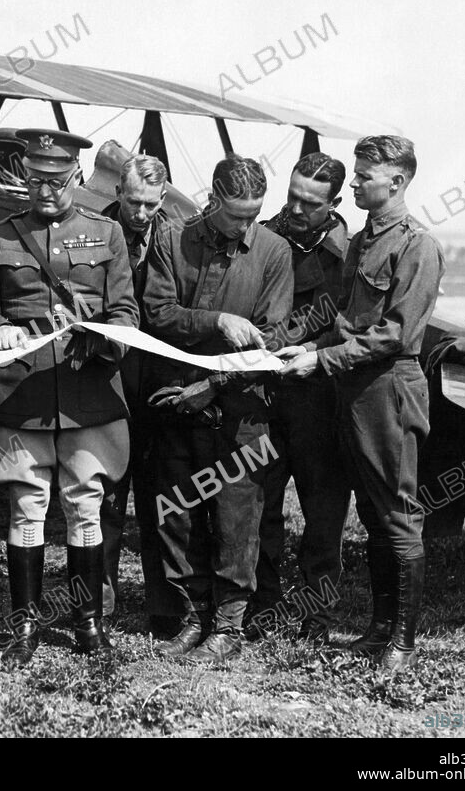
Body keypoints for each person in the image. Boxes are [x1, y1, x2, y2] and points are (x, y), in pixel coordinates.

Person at [0, 128, 138, 668]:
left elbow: (126, 313)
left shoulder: (106, 233)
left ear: (75, 176)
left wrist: (105, 340)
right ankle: (26, 624)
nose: (44, 191)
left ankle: (88, 622)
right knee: (25, 507)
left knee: (85, 507)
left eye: (56, 181)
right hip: (20, 395)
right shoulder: (0, 234)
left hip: (87, 393)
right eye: (35, 179)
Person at [279, 136, 444, 672]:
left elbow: (395, 334)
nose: (352, 184)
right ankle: (378, 629)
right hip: (353, 389)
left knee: (397, 516)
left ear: (395, 182)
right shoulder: (363, 241)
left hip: (389, 390)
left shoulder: (417, 245)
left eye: (363, 177)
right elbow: (348, 322)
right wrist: (309, 346)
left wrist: (320, 362)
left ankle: (402, 642)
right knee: (373, 518)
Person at [141, 154, 292, 665]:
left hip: (240, 412)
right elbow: (156, 313)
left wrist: (213, 383)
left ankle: (227, 626)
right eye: (235, 215)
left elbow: (272, 339)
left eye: (254, 215)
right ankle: (191, 617)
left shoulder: (274, 251)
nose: (246, 225)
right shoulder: (171, 238)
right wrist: (217, 320)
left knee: (236, 520)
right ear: (212, 197)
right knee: (176, 514)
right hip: (174, 406)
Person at [249, 152, 352, 643]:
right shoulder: (264, 236)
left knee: (323, 513)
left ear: (333, 204)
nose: (295, 207)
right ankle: (260, 607)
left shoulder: (350, 255)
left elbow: (357, 328)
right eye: (291, 194)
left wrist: (312, 349)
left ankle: (319, 616)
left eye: (310, 202)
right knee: (259, 506)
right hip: (266, 396)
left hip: (321, 398)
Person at [98, 153, 182, 633]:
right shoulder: (95, 233)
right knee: (106, 494)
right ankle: (99, 600)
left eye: (152, 204)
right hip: (109, 381)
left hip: (161, 385)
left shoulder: (178, 238)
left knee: (162, 498)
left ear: (163, 198)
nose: (142, 213)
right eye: (133, 202)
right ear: (117, 194)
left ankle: (165, 608)